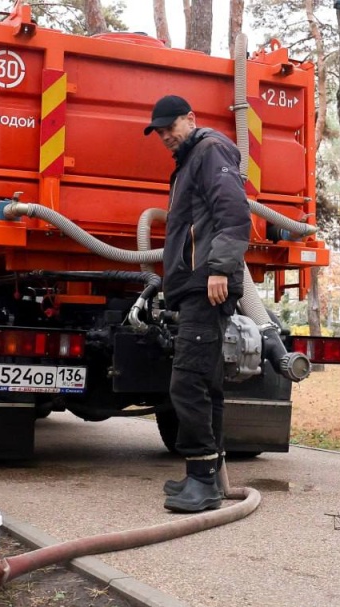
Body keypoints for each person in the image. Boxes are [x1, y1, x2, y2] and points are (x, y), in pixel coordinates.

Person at [145, 95, 251, 513]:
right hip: (196, 284)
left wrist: (220, 269)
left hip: (207, 285)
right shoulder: (190, 160)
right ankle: (203, 474)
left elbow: (234, 211)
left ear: (191, 118)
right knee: (205, 384)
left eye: (171, 126)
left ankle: (203, 482)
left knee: (186, 383)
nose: (166, 136)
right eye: (160, 132)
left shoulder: (210, 150)